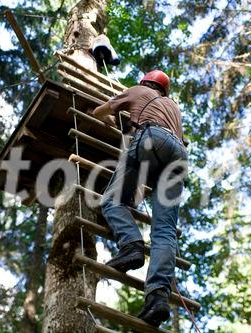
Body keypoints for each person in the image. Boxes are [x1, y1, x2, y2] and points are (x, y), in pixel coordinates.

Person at [90, 70, 188, 327]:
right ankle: (157, 298)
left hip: (150, 139)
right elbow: (176, 138)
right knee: (165, 231)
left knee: (112, 201)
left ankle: (132, 245)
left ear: (146, 82)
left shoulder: (137, 91)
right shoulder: (173, 108)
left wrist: (113, 120)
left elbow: (98, 112)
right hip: (178, 154)